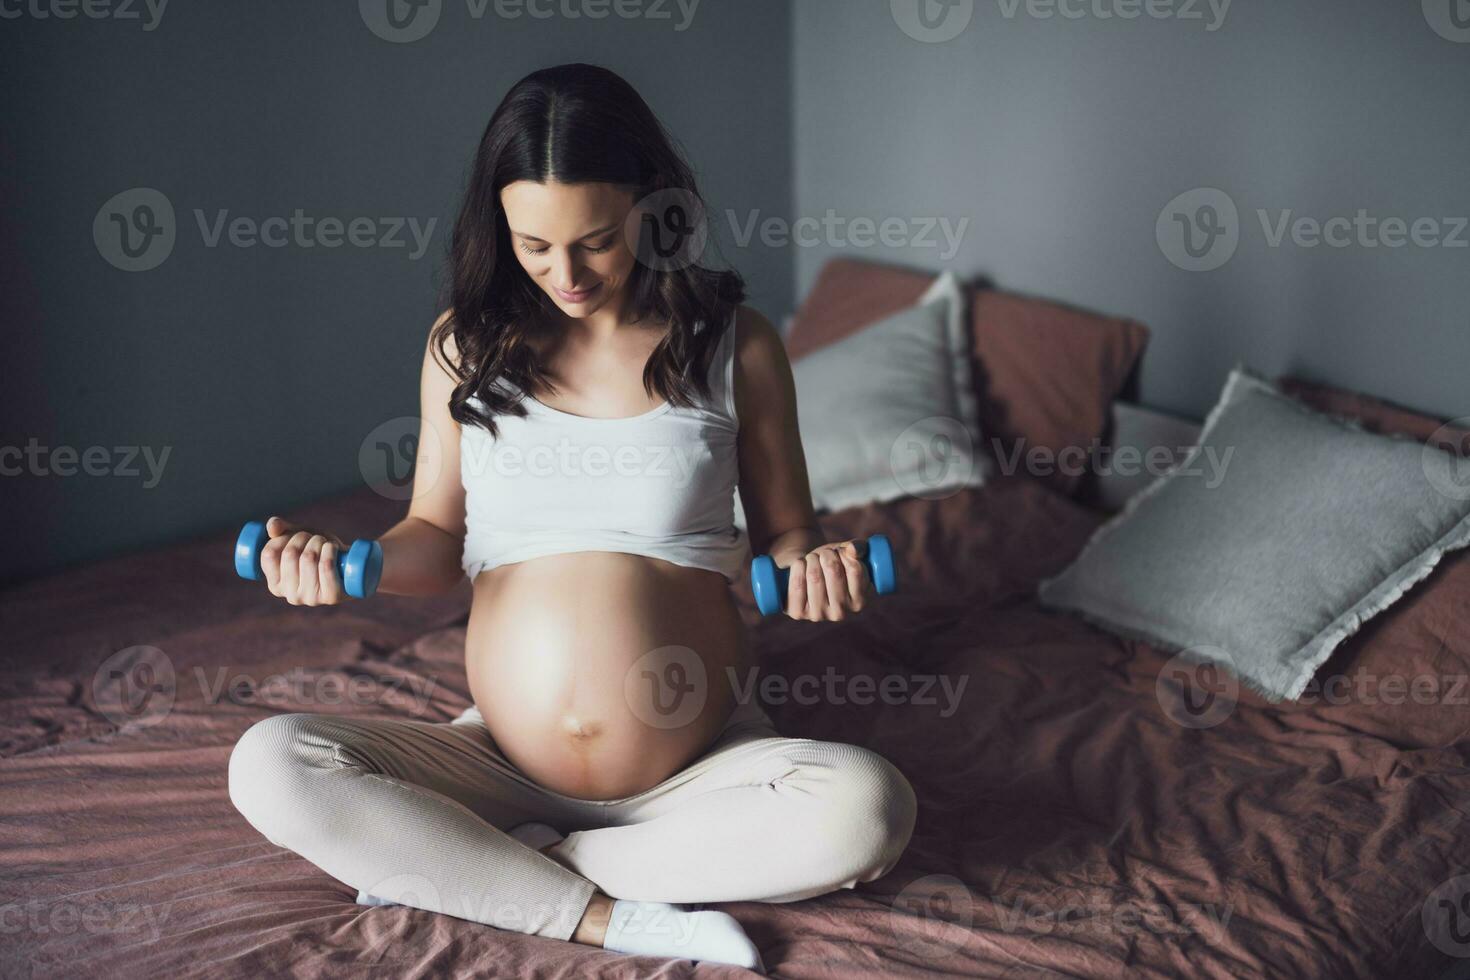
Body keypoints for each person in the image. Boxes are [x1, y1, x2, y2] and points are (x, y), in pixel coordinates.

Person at [228, 63, 915, 973]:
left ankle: (480, 867)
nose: (566, 273)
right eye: (534, 244)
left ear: (654, 211)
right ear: (499, 227)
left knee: (867, 808)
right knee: (268, 760)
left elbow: (789, 533)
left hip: (698, 766)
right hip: (497, 767)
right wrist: (347, 559)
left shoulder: (733, 345)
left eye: (596, 241)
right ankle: (604, 913)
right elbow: (432, 542)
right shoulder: (462, 347)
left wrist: (815, 572)